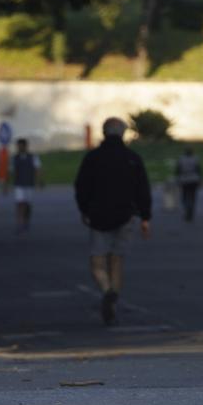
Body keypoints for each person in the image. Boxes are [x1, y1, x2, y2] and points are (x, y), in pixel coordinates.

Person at [74, 117, 152, 325]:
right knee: (117, 259)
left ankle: (107, 290)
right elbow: (142, 190)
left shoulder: (93, 158)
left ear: (103, 133)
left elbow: (81, 187)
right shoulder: (132, 158)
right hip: (127, 216)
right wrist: (146, 217)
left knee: (97, 261)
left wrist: (84, 210)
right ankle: (114, 300)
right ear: (123, 133)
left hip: (98, 216)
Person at [11, 137, 42, 232]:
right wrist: (6, 184)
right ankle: (19, 223)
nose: (19, 148)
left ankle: (26, 221)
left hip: (29, 184)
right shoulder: (14, 158)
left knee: (28, 204)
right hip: (18, 184)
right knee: (20, 203)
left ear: (25, 146)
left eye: (21, 146)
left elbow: (37, 169)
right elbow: (11, 171)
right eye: (18, 146)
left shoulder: (33, 157)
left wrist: (38, 181)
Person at [175, 147, 203, 222]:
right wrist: (200, 180)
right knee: (193, 196)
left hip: (184, 179)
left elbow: (178, 170)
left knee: (184, 196)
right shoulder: (196, 159)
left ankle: (186, 208)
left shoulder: (181, 159)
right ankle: (191, 209)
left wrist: (177, 179)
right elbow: (199, 170)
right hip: (194, 179)